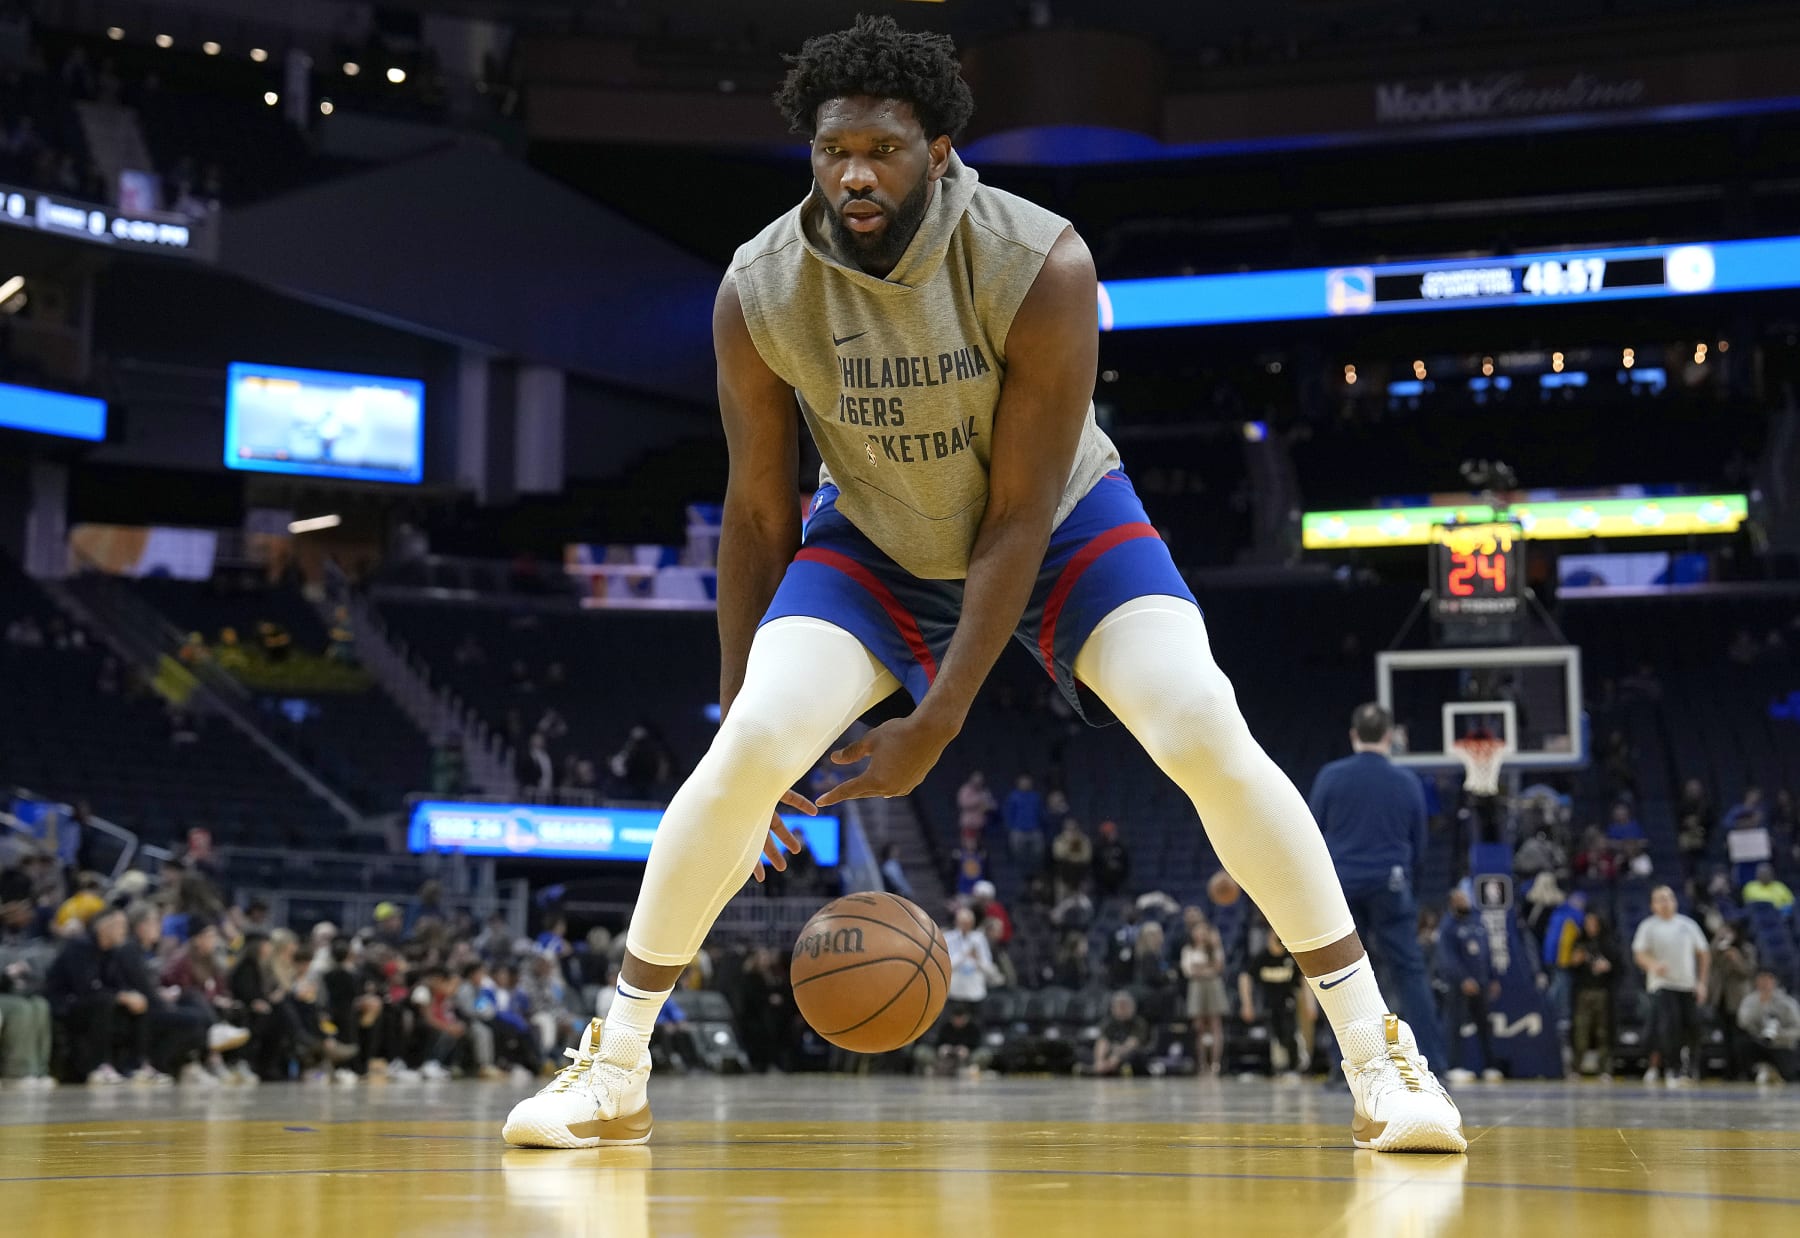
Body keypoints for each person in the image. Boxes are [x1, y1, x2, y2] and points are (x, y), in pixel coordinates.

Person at [502, 16, 1462, 1154]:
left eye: (884, 149)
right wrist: (741, 742)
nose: (856, 171)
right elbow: (759, 511)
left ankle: (1379, 1058)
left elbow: (1012, 515)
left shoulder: (1039, 261)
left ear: (942, 150)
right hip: (874, 537)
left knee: (1202, 720)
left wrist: (938, 716)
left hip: (1058, 525)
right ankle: (612, 1067)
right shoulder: (758, 289)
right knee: (752, 737)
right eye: (833, 149)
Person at [1306, 703, 1453, 1073]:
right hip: (1391, 883)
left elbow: (1312, 835)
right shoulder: (1406, 782)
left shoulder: (1330, 776)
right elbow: (1419, 843)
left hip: (1341, 888)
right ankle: (1430, 1061)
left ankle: (1348, 1068)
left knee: (1341, 977)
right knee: (1408, 972)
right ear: (1389, 736)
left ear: (1353, 735)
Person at [44, 908, 144, 1085]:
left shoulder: (111, 952)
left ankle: (133, 1065)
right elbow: (86, 988)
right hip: (65, 1003)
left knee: (137, 1004)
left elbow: (117, 984)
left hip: (91, 1002)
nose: (124, 931)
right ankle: (98, 1066)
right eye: (120, 926)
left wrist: (130, 995)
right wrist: (121, 996)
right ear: (104, 927)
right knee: (105, 1002)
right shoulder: (80, 947)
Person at [1632, 886, 1710, 1086]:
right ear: (1653, 905)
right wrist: (1653, 965)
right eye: (1660, 899)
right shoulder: (1648, 926)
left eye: (1669, 898)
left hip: (1687, 984)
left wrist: (1702, 982)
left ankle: (1690, 1069)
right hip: (1663, 984)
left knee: (1693, 1026)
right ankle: (1672, 1069)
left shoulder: (1688, 925)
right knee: (1670, 1027)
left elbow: (1704, 954)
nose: (1666, 902)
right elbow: (1639, 954)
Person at [1435, 888, 1503, 1084]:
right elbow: (1448, 957)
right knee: (1454, 1023)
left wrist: (1492, 977)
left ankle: (1490, 1066)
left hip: (1481, 982)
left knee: (1484, 1024)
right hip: (1459, 985)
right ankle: (1453, 1066)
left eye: (1466, 897)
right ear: (1452, 902)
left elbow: (1486, 951)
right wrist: (1463, 978)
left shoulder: (1477, 921)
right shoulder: (1448, 926)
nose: (1465, 901)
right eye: (1460, 898)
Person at [1238, 930, 1309, 1075]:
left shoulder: (1291, 957)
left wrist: (1310, 1004)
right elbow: (1245, 976)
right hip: (1269, 1004)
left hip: (1289, 1001)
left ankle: (1295, 1065)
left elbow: (1304, 978)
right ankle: (1280, 1067)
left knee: (1290, 1031)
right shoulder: (1262, 958)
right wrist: (1247, 1004)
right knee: (1277, 1035)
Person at [1567, 912, 1619, 1077]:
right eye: (1588, 923)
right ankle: (1576, 1068)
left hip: (1602, 992)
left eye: (1593, 923)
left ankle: (1604, 1069)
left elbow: (1620, 968)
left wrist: (1608, 967)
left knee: (1603, 1032)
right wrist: (1576, 960)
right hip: (1583, 991)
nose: (1591, 926)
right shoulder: (1579, 942)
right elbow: (1570, 966)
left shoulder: (1608, 944)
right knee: (1581, 1031)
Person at [1181, 917, 1228, 1075]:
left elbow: (1217, 968)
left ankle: (1216, 1063)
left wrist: (1201, 968)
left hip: (1213, 986)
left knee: (1216, 1024)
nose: (1201, 934)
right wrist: (1205, 968)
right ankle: (1202, 1063)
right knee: (1199, 1027)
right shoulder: (1188, 949)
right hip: (1196, 987)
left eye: (1204, 931)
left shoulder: (1215, 949)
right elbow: (1189, 971)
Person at [1737, 967, 1800, 1084]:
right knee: (1742, 1044)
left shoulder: (1787, 1002)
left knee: (1790, 1074)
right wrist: (1760, 1005)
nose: (1764, 983)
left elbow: (1797, 1029)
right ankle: (1755, 1071)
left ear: (1775, 981)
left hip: (1781, 1043)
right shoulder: (1750, 1000)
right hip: (1759, 1042)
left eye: (1768, 979)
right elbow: (1742, 1022)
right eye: (1761, 979)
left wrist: (1780, 1034)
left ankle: (1775, 1072)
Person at [943, 906, 999, 1019]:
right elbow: (947, 966)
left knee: (976, 1024)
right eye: (963, 923)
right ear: (956, 922)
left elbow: (987, 966)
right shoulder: (948, 938)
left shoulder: (979, 938)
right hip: (955, 992)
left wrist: (977, 959)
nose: (965, 926)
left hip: (975, 992)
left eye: (968, 923)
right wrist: (964, 954)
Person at [1089, 990, 1149, 1077]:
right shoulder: (1109, 1023)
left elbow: (1132, 1044)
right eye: (1119, 1007)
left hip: (1128, 1054)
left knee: (1135, 1056)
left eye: (1124, 1006)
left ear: (1132, 1007)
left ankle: (1112, 1068)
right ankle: (1102, 1067)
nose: (1121, 1010)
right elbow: (1102, 1041)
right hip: (1110, 1053)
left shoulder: (1139, 1023)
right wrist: (1099, 1060)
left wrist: (1115, 1058)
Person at [1001, 775, 1044, 870]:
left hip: (1034, 829)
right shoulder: (1013, 797)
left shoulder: (1035, 796)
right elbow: (1008, 813)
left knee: (1039, 851)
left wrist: (1040, 825)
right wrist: (1010, 827)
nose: (1025, 784)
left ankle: (1034, 869)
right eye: (1023, 782)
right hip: (1018, 829)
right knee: (1016, 850)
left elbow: (1041, 812)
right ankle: (1021, 869)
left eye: (1027, 782)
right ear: (1018, 783)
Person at [1051, 817, 1094, 901]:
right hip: (1064, 876)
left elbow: (1086, 857)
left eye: (1073, 828)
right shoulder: (1060, 839)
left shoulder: (1083, 840)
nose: (1071, 831)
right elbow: (1058, 855)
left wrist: (1071, 856)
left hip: (1080, 877)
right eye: (1068, 828)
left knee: (1080, 902)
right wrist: (1068, 843)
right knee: (1062, 900)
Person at [1094, 820, 1131, 898]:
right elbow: (1094, 866)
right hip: (1102, 884)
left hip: (1118, 883)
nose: (1111, 834)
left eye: (1112, 832)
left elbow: (1126, 864)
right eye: (1108, 833)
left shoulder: (1121, 847)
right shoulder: (1098, 847)